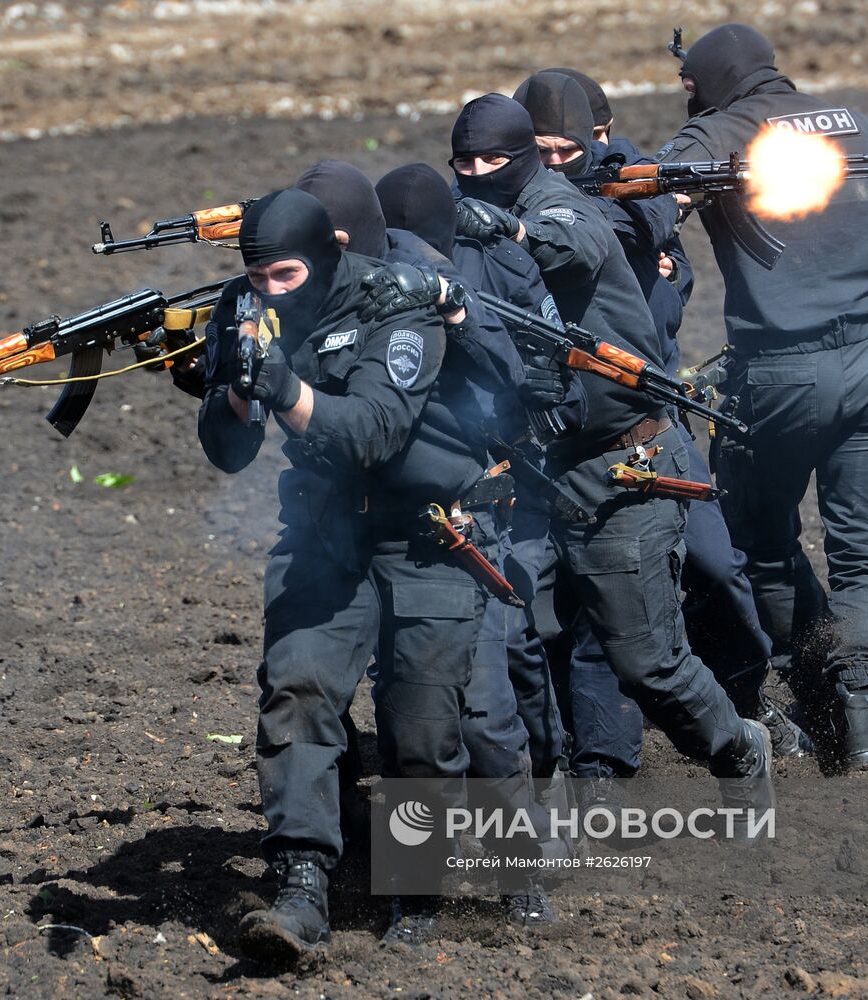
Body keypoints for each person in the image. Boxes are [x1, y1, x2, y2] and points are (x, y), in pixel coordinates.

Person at [445, 93, 775, 819]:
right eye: (462, 163)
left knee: (647, 662)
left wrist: (504, 225)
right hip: (525, 472)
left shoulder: (559, 205)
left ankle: (737, 745)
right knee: (500, 641)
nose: (475, 173)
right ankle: (539, 805)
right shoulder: (460, 219)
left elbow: (573, 242)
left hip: (617, 467)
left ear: (523, 160)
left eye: (492, 160)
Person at [197, 188, 494, 961]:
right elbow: (228, 452)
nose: (269, 292)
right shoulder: (247, 306)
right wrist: (234, 386)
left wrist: (285, 389)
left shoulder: (392, 302)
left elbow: (371, 434)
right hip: (326, 533)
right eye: (257, 276)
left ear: (328, 252)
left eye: (285, 275)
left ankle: (416, 894)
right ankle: (300, 888)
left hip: (425, 535)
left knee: (421, 729)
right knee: (297, 692)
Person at [513, 70, 812, 781]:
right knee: (570, 615)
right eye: (539, 153)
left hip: (652, 425)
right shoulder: (529, 202)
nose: (553, 165)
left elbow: (651, 253)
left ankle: (746, 701)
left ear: (601, 138)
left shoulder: (632, 195)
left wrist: (642, 212)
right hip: (561, 439)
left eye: (565, 151)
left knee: (715, 568)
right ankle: (591, 757)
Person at [295, 160, 556, 927]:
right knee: (394, 723)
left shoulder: (426, 280)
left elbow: (521, 380)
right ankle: (413, 893)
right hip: (353, 536)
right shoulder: (303, 295)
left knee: (476, 716)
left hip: (452, 531)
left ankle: (515, 873)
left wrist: (452, 309)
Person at [658, 24, 868, 773]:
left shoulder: (711, 134)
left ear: (697, 83)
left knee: (760, 540)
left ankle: (812, 677)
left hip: (776, 373)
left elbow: (645, 203)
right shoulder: (859, 125)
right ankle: (862, 719)